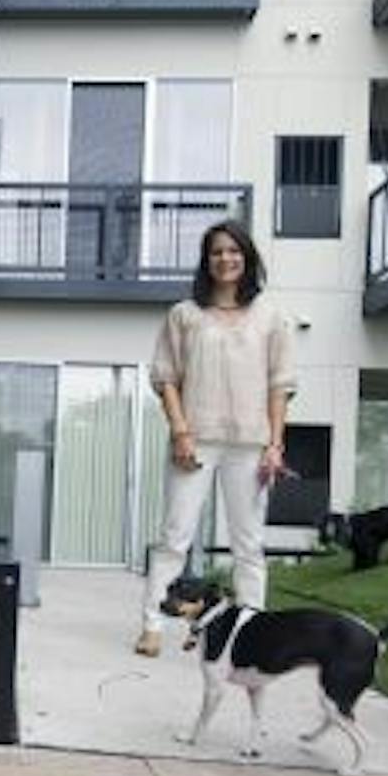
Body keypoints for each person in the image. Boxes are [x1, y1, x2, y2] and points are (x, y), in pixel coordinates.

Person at [135, 221, 297, 657]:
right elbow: (166, 378)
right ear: (207, 262)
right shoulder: (184, 315)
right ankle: (153, 623)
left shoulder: (272, 316)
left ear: (247, 258)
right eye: (216, 253)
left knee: (249, 545)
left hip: (251, 444)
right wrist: (181, 431)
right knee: (174, 536)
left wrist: (275, 444)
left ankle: (253, 633)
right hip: (196, 441)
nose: (226, 259)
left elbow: (279, 385)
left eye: (234, 251)